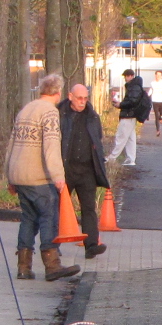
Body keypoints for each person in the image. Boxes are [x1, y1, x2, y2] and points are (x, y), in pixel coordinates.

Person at [6, 73, 81, 282]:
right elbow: (51, 147)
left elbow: (11, 144)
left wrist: (9, 176)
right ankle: (52, 264)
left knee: (28, 219)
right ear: (58, 93)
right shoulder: (49, 112)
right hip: (38, 177)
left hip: (19, 174)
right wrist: (58, 176)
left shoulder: (26, 109)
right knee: (49, 217)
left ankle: (23, 267)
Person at [58, 82, 111, 260]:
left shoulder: (92, 117)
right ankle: (52, 246)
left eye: (85, 98)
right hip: (66, 169)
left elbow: (98, 139)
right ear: (70, 96)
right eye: (79, 98)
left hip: (87, 169)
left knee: (88, 208)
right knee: (57, 207)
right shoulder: (60, 114)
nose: (82, 102)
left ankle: (91, 245)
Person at [111, 69, 145, 165]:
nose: (125, 78)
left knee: (121, 136)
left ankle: (112, 157)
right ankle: (131, 159)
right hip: (131, 115)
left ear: (131, 76)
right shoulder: (135, 86)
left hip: (128, 115)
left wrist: (121, 105)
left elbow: (132, 101)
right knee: (130, 138)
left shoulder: (134, 87)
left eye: (126, 76)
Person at [150, 70, 162, 135]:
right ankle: (158, 130)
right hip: (155, 100)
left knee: (161, 116)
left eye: (159, 75)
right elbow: (150, 90)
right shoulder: (152, 83)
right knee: (156, 116)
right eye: (157, 75)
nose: (158, 76)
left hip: (161, 101)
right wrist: (147, 96)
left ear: (161, 76)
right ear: (155, 75)